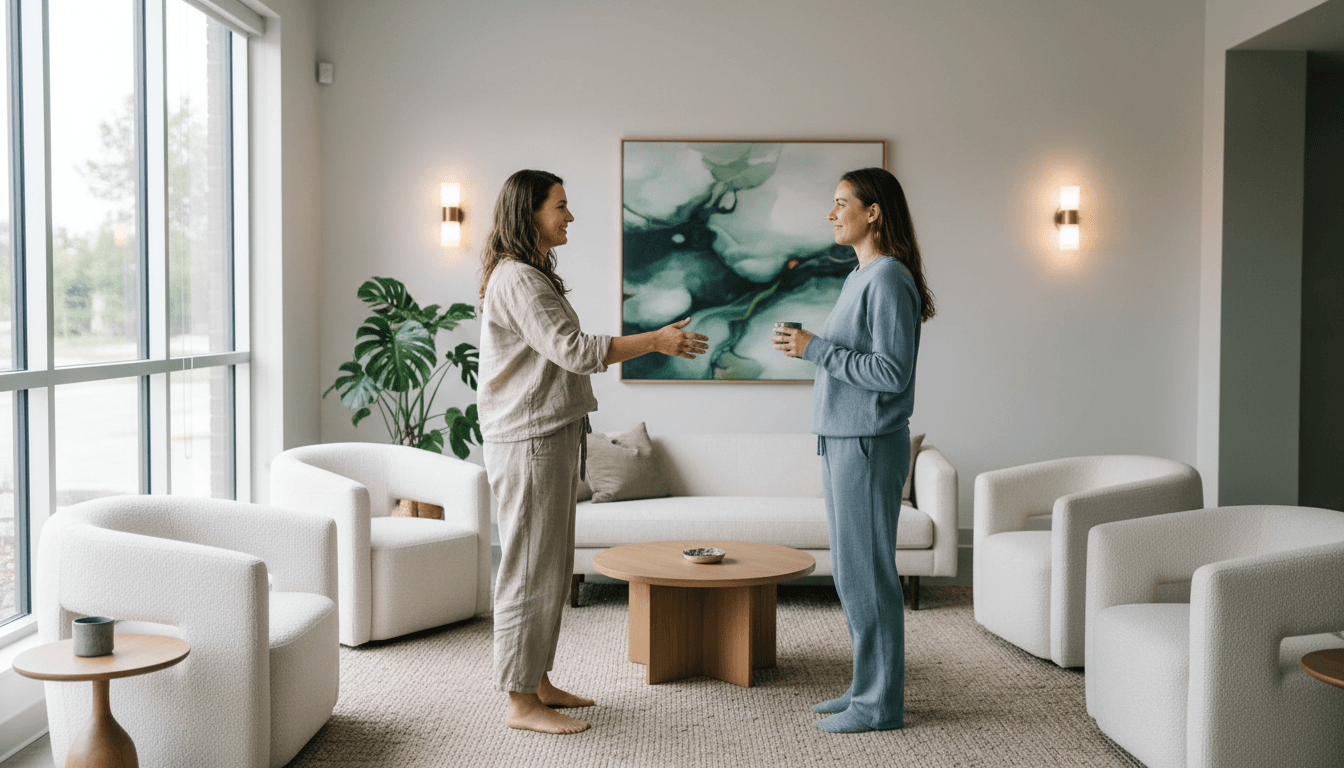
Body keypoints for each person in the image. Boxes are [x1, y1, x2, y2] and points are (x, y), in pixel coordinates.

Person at [477, 169, 710, 734]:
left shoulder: (530, 276)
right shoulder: (519, 280)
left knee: (549, 568)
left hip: (548, 435)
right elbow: (576, 351)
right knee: (529, 569)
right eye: (560, 205)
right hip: (529, 440)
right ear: (528, 212)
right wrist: (655, 340)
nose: (569, 215)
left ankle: (536, 681)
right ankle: (519, 701)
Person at [772, 167, 936, 733]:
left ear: (874, 212)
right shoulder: (861, 275)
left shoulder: (888, 278)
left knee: (869, 575)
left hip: (867, 444)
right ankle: (867, 687)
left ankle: (879, 706)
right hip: (846, 441)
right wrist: (814, 351)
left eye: (842, 203)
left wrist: (814, 348)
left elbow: (891, 373)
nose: (831, 212)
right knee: (851, 573)